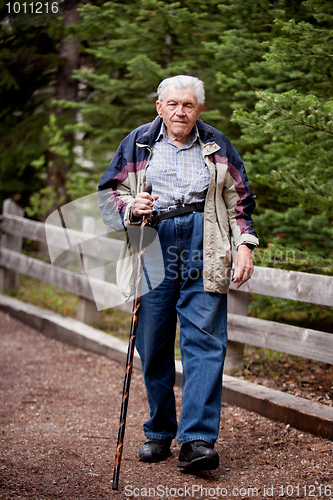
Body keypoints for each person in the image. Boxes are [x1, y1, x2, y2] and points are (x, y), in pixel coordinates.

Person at [98, 75, 259, 471]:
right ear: (159, 107)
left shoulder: (218, 145)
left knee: (205, 342)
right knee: (152, 342)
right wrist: (131, 206)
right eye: (172, 104)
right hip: (153, 241)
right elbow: (108, 194)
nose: (180, 112)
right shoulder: (138, 142)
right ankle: (159, 430)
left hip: (206, 242)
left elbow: (240, 201)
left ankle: (197, 441)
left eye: (188, 105)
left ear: (198, 109)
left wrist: (244, 245)